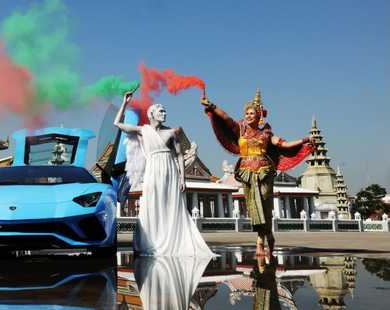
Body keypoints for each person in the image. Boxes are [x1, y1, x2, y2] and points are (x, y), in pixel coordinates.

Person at [201, 89, 313, 256]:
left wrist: (304, 140)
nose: (248, 115)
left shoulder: (266, 134)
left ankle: (262, 240)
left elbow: (284, 145)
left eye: (252, 113)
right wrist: (212, 106)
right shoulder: (240, 129)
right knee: (254, 207)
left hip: (264, 171)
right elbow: (225, 118)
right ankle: (266, 236)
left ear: (259, 115)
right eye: (246, 113)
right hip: (246, 171)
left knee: (265, 205)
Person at [114, 91, 213, 257]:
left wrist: (183, 178)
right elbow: (117, 123)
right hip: (153, 169)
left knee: (170, 203)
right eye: (161, 111)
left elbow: (180, 155)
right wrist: (125, 103)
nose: (164, 114)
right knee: (153, 202)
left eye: (165, 111)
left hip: (169, 169)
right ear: (152, 114)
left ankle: (172, 240)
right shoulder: (143, 130)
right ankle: (153, 240)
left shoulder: (172, 132)